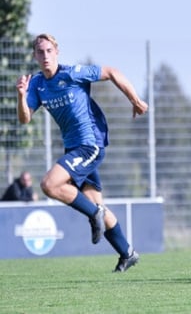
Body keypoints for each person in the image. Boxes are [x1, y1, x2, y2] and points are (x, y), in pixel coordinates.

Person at [16, 33, 148, 272]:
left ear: (57, 52)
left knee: (49, 184)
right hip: (73, 147)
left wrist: (135, 100)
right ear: (35, 56)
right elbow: (25, 119)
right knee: (96, 203)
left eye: (49, 51)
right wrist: (21, 96)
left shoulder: (73, 73)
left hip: (90, 144)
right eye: (40, 52)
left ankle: (93, 214)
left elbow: (111, 72)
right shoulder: (36, 84)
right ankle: (127, 253)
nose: (45, 56)